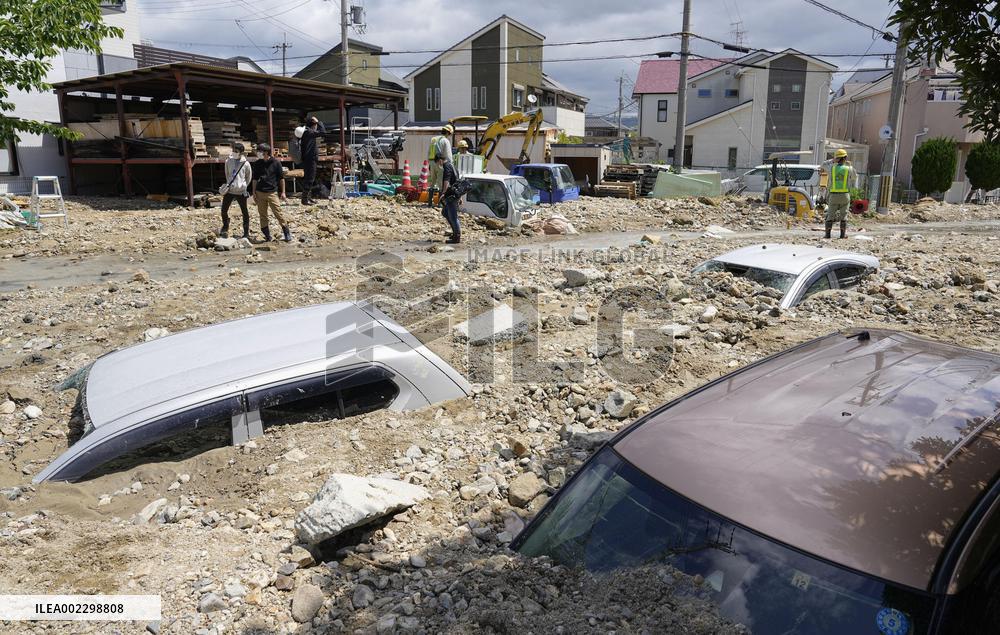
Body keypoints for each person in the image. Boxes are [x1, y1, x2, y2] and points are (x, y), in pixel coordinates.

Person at [251, 143, 292, 242]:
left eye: (260, 151)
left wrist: (283, 192)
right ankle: (267, 236)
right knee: (263, 215)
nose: (258, 153)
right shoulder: (257, 163)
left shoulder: (275, 163)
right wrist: (254, 192)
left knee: (278, 213)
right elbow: (255, 179)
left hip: (272, 192)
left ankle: (286, 233)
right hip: (260, 192)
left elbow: (281, 178)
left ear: (266, 152)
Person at [820, 148, 857, 239]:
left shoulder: (831, 168)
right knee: (843, 215)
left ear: (837, 158)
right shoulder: (849, 168)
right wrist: (849, 166)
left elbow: (823, 164)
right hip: (845, 195)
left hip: (833, 195)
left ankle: (828, 235)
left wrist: (832, 160)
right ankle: (842, 235)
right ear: (845, 158)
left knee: (830, 215)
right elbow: (854, 178)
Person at [219, 143, 252, 239]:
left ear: (241, 152)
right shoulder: (228, 161)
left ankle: (246, 232)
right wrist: (230, 184)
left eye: (236, 151)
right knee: (224, 210)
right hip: (230, 190)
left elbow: (248, 177)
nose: (234, 152)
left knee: (244, 212)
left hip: (241, 191)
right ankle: (225, 226)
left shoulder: (246, 163)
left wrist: (243, 185)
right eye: (233, 150)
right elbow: (227, 174)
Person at [299, 116, 326, 206]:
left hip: (308, 159)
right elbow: (323, 132)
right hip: (310, 159)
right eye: (316, 125)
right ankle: (304, 199)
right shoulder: (309, 132)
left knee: (310, 178)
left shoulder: (307, 132)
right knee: (310, 179)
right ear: (313, 125)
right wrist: (319, 122)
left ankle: (308, 197)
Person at [427, 123, 454, 207]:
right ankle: (440, 204)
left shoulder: (433, 139)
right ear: (448, 133)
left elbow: (429, 152)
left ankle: (430, 203)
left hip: (431, 162)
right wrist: (450, 165)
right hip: (440, 163)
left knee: (432, 183)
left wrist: (429, 163)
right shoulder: (445, 140)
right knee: (440, 184)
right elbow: (448, 154)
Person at [436, 153, 461, 244]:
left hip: (451, 195)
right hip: (456, 193)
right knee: (445, 212)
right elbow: (457, 181)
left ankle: (456, 237)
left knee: (453, 216)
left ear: (440, 160)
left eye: (438, 163)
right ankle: (455, 232)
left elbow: (446, 181)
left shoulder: (447, 166)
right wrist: (460, 196)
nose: (439, 165)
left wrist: (443, 193)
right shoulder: (452, 165)